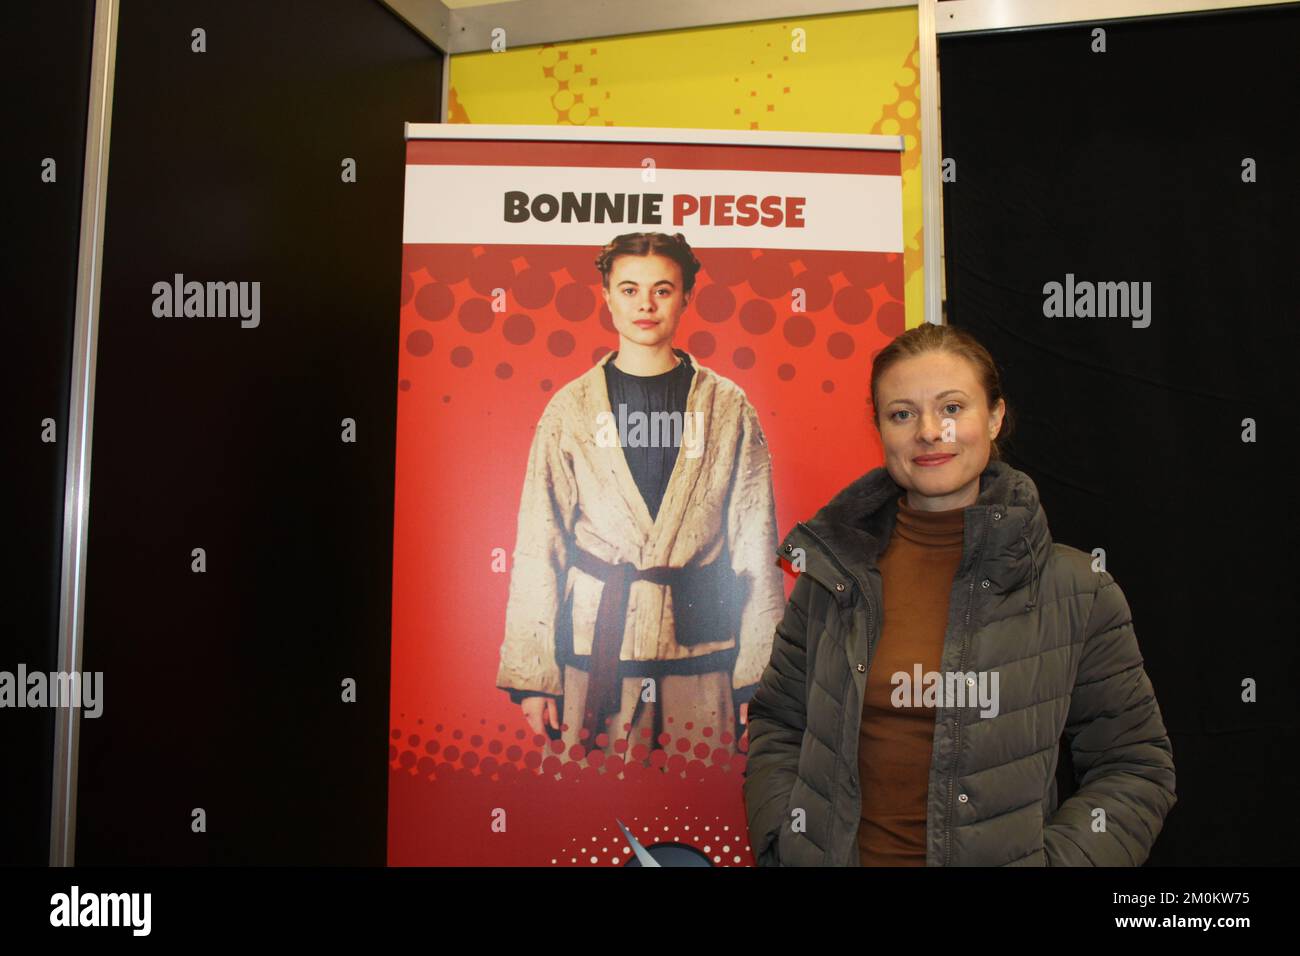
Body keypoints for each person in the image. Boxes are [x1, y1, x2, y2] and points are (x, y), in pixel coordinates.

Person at [743, 322, 1176, 865]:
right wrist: (788, 845)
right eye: (902, 413)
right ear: (880, 429)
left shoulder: (1078, 590)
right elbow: (779, 723)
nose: (929, 431)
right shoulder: (832, 576)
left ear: (994, 418)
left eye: (952, 408)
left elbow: (1135, 766)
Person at [496, 231, 785, 772]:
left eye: (662, 290)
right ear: (606, 296)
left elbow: (754, 544)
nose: (645, 305)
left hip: (702, 655)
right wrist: (535, 677)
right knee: (593, 814)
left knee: (699, 808)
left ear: (686, 297)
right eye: (629, 289)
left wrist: (759, 677)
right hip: (596, 650)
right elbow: (541, 542)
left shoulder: (727, 406)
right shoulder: (570, 408)